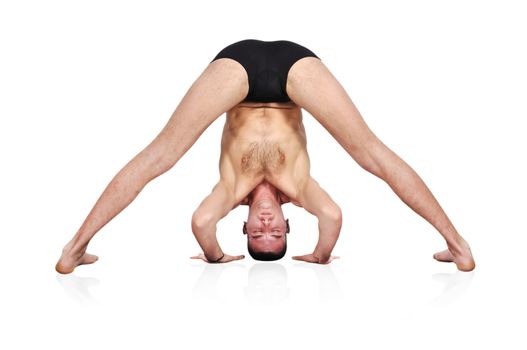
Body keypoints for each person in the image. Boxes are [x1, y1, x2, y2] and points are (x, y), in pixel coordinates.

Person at [56, 39, 475, 274]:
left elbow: (202, 222)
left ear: (244, 226)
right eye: (277, 236)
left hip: (236, 72)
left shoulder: (229, 190)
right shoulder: (300, 188)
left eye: (258, 235)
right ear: (291, 223)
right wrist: (320, 255)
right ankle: (458, 247)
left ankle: (73, 249)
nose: (267, 227)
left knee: (161, 155)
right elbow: (332, 217)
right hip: (295, 71)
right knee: (371, 154)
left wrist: (216, 256)